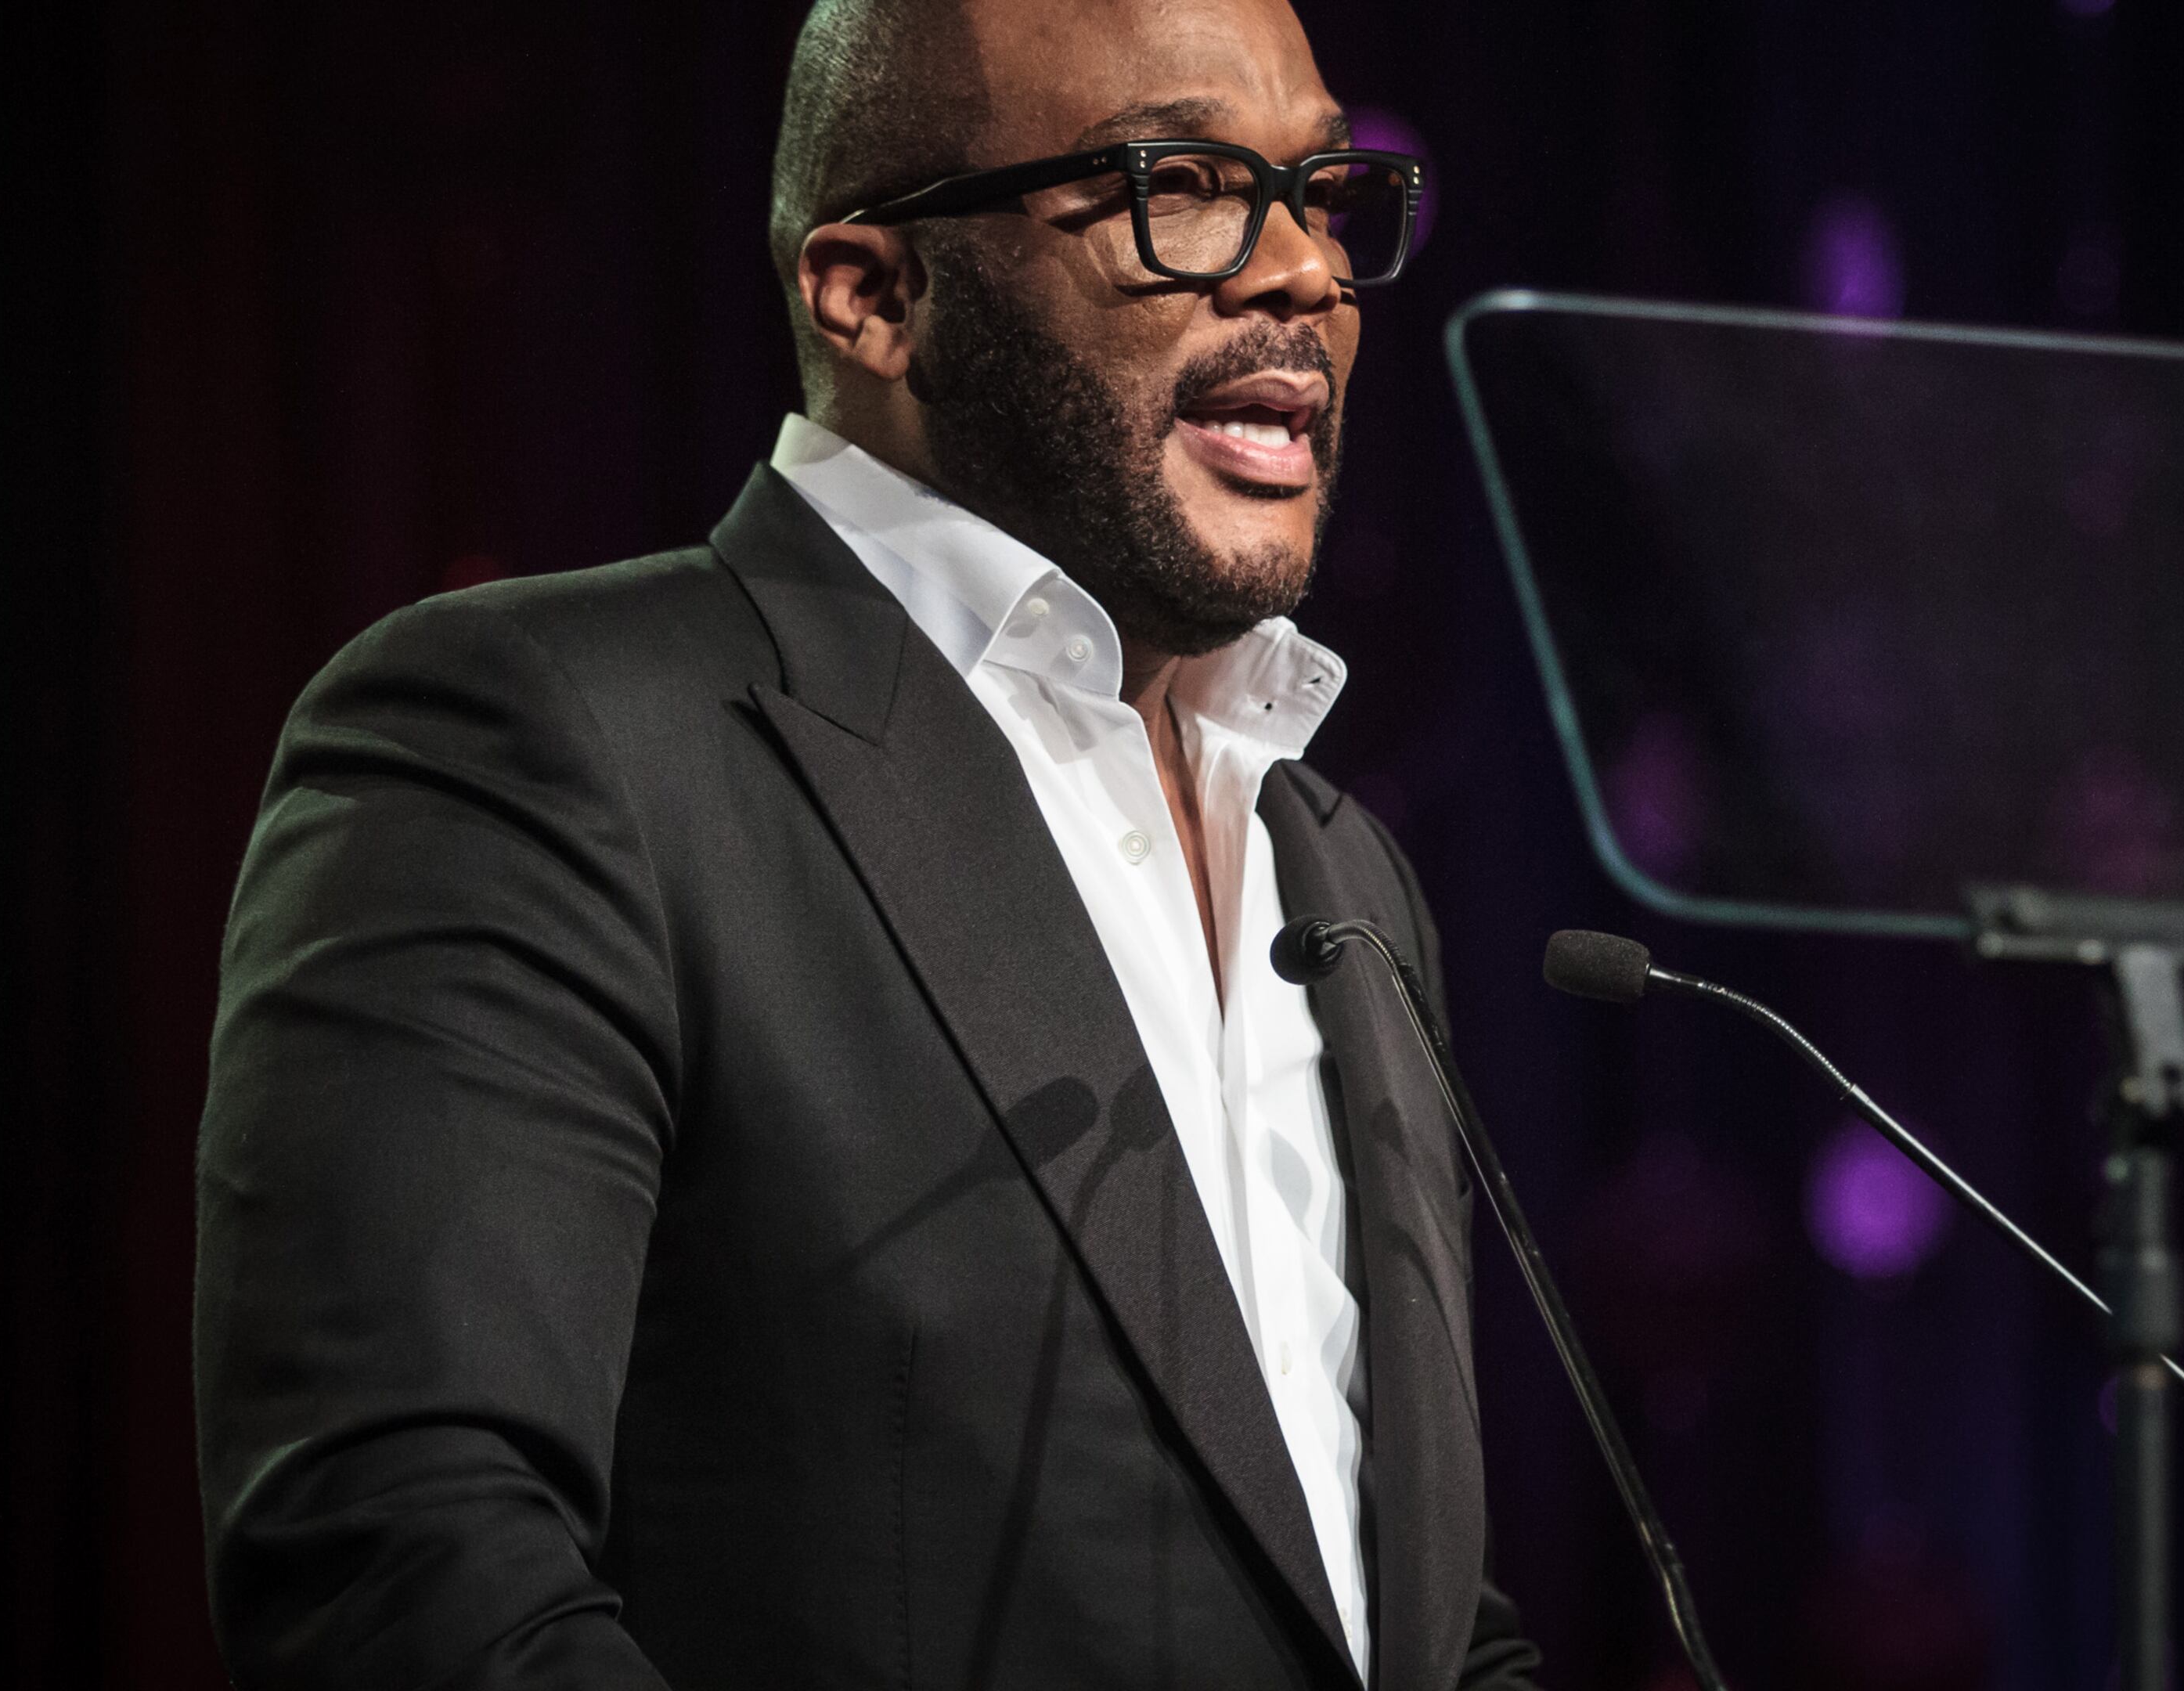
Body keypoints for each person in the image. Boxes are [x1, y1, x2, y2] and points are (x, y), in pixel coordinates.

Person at [193, 0, 1540, 1686]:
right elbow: (409, 1575)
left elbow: (1406, 1610)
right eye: (1184, 182)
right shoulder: (552, 739)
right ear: (874, 292)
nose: (1305, 275)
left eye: (1323, 188)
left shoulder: (1338, 866)